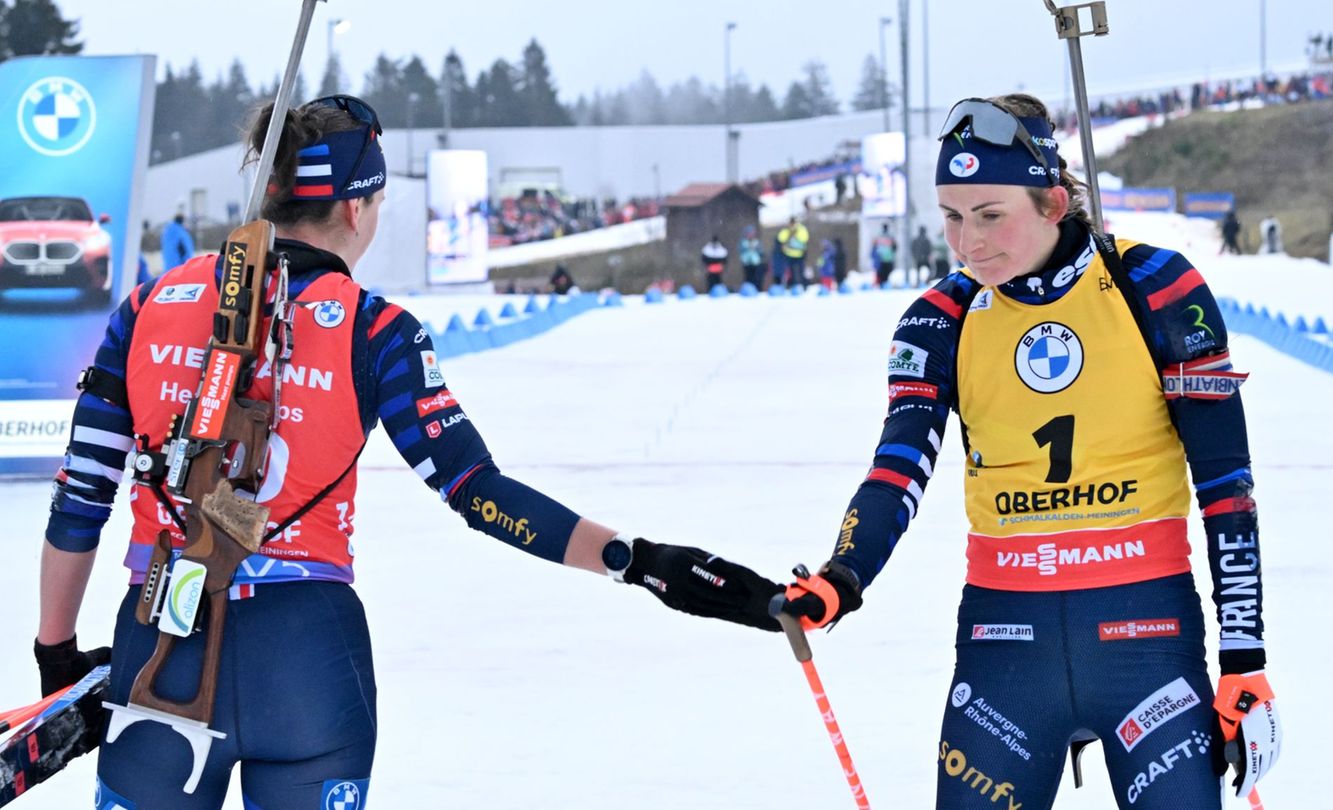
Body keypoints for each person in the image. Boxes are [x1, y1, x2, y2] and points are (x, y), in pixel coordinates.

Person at [35, 94, 780, 808]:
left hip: (161, 639)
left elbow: (81, 499)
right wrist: (637, 560)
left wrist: (58, 652)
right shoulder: (377, 329)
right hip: (305, 657)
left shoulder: (148, 305)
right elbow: (477, 491)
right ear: (354, 209)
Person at [771, 94, 1281, 809]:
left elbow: (1226, 486)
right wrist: (842, 574)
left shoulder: (1156, 287)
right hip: (1006, 645)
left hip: (1147, 637)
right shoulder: (940, 319)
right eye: (951, 216)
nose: (967, 243)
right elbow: (899, 468)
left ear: (1052, 203)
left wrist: (1245, 656)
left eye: (989, 215)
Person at [777, 216, 809, 287]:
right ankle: (793, 285)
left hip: (799, 254)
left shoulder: (801, 229)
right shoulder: (787, 230)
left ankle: (803, 285)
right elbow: (780, 238)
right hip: (789, 254)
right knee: (791, 272)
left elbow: (804, 238)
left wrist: (794, 234)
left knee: (800, 270)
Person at [738, 224, 765, 290]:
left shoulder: (757, 242)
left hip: (756, 263)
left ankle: (757, 290)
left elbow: (761, 252)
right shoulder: (743, 242)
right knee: (748, 278)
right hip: (746, 263)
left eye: (752, 233)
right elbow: (740, 250)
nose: (751, 235)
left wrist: (756, 249)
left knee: (756, 278)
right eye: (749, 233)